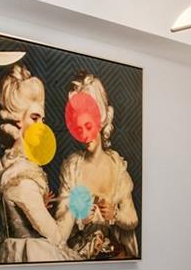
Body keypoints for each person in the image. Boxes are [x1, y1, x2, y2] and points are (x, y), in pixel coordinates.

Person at [0, 64, 75, 263]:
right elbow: (57, 237)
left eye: (43, 119)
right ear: (18, 120)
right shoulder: (23, 177)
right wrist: (73, 204)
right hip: (30, 255)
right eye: (35, 118)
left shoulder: (10, 166)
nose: (41, 127)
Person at [55, 71, 138, 259]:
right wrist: (79, 219)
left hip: (113, 254)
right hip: (79, 254)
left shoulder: (117, 167)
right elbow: (60, 225)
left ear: (100, 123)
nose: (84, 136)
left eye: (88, 126)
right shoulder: (72, 168)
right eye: (79, 129)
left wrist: (114, 214)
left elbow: (132, 219)